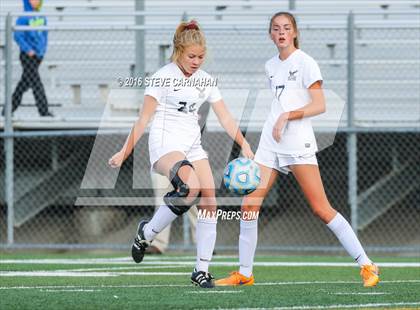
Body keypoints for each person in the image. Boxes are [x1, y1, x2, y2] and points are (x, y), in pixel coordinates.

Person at [215, 12, 380, 288]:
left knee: (321, 208)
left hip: (297, 143)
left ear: (294, 32)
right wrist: (276, 121)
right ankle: (244, 273)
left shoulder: (306, 63)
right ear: (270, 34)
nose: (281, 33)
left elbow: (320, 105)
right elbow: (279, 104)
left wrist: (288, 116)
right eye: (276, 29)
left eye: (286, 28)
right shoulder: (270, 65)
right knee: (249, 205)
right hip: (270, 143)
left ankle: (367, 264)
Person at [109, 20, 254, 288]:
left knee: (210, 199)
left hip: (192, 145)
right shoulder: (162, 77)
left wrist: (243, 143)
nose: (196, 61)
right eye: (191, 56)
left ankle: (200, 269)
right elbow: (143, 120)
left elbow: (225, 116)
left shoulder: (206, 80)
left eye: (200, 56)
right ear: (178, 51)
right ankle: (149, 231)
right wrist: (123, 151)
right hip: (164, 143)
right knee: (190, 188)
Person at [3, 0, 53, 117]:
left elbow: (45, 35)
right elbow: (17, 36)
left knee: (24, 84)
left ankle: (7, 110)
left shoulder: (42, 17)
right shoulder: (23, 18)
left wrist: (42, 51)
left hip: (38, 57)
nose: (36, 1)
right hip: (27, 57)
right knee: (36, 83)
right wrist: (28, 50)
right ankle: (43, 111)